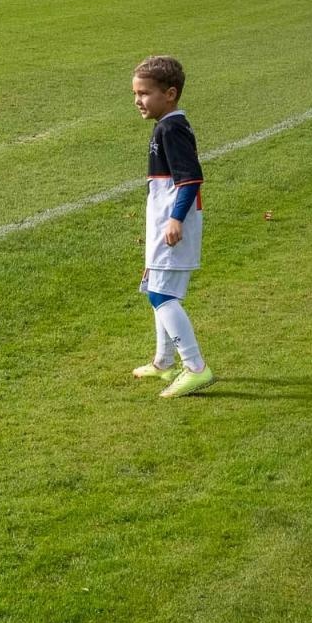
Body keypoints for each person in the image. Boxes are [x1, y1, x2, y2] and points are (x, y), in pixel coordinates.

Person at [129, 56, 216, 398]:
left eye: (145, 93)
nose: (138, 100)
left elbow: (190, 178)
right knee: (156, 290)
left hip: (173, 225)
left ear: (170, 93)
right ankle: (164, 362)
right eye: (136, 93)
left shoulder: (172, 128)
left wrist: (176, 219)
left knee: (161, 294)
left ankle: (195, 367)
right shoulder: (165, 124)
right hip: (163, 224)